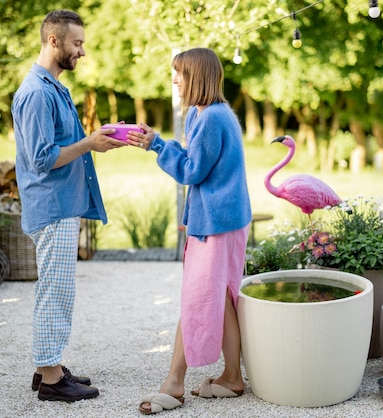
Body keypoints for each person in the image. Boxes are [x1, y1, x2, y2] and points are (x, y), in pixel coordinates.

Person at [127, 48, 252, 415]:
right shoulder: (208, 113)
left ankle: (175, 383)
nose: (176, 80)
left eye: (179, 73)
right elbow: (203, 169)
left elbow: (193, 172)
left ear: (197, 76)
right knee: (224, 299)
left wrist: (157, 145)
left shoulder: (212, 117)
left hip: (217, 226)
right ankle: (231, 377)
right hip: (222, 222)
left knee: (196, 298)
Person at [11, 10, 126, 402]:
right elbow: (42, 158)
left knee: (56, 289)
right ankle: (52, 380)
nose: (82, 51)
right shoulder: (37, 93)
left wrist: (95, 141)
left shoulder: (53, 87)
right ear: (54, 41)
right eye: (77, 43)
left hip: (62, 204)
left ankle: (49, 368)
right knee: (55, 291)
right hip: (53, 206)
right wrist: (89, 143)